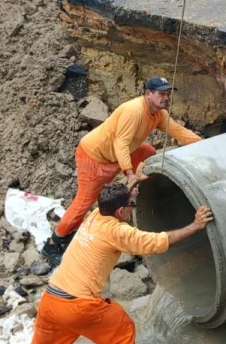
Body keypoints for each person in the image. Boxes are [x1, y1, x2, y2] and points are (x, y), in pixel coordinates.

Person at [7, 182, 215, 344]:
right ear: (120, 211)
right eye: (131, 205)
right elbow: (159, 241)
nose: (132, 209)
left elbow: (113, 198)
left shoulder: (95, 215)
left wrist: (131, 184)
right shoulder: (117, 231)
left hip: (51, 300)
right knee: (122, 333)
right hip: (77, 305)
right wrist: (196, 225)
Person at [41, 76, 202, 265]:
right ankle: (54, 243)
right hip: (94, 157)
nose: (166, 98)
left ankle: (140, 189)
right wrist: (129, 173)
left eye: (167, 94)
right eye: (161, 94)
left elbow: (179, 132)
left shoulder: (159, 114)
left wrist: (205, 144)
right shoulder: (134, 111)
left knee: (148, 151)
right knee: (84, 202)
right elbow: (121, 144)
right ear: (148, 94)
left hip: (115, 155)